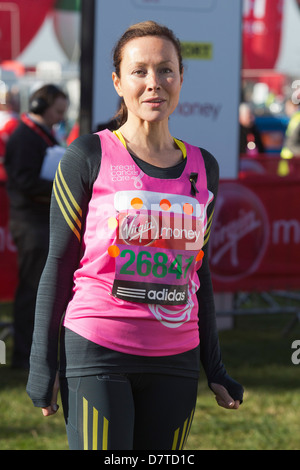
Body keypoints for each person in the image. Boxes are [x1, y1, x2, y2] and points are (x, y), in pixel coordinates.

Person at [26, 21, 243, 450]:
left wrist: (213, 367)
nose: (153, 83)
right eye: (139, 71)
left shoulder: (204, 166)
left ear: (181, 78)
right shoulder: (87, 155)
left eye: (166, 70)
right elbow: (59, 262)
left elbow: (200, 273)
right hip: (97, 348)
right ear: (118, 81)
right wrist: (41, 362)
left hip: (176, 358)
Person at [4, 83, 68, 369]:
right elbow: (23, 181)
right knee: (32, 290)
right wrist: (59, 186)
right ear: (42, 105)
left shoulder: (41, 134)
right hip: (31, 223)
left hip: (39, 222)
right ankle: (23, 356)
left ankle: (32, 354)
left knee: (40, 290)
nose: (60, 117)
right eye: (57, 110)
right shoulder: (25, 136)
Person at [278, 99, 300, 176]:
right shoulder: (294, 119)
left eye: (288, 107)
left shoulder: (296, 119)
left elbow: (291, 142)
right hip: (290, 160)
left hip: (292, 161)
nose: (286, 110)